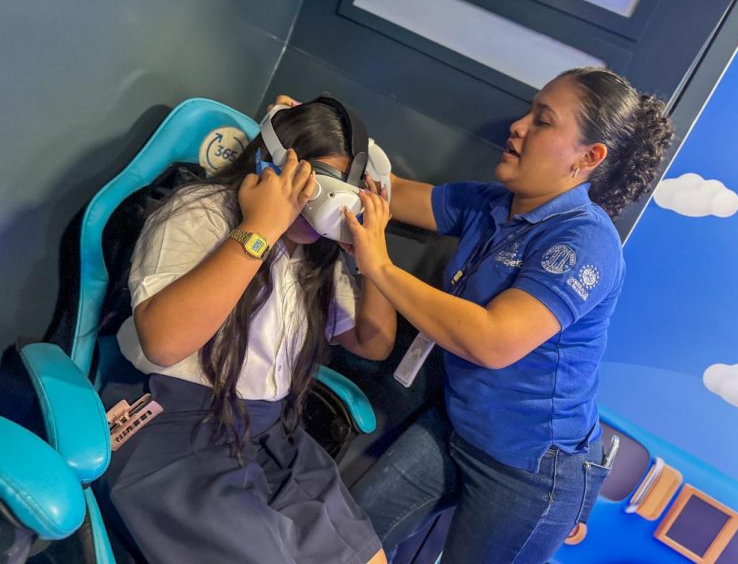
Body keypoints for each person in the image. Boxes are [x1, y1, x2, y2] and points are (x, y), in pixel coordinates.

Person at [334, 67, 673, 563]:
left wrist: (379, 267)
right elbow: (389, 194)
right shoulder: (493, 203)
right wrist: (322, 142)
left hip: (530, 469)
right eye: (528, 112)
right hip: (460, 423)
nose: (517, 126)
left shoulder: (585, 240)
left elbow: (493, 341)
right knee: (348, 532)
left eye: (542, 121)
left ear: (588, 157)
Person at [93, 97, 395, 564]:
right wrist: (260, 229)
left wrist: (374, 262)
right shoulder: (202, 212)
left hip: (269, 433)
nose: (321, 207)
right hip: (173, 427)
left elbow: (373, 343)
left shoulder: (315, 256)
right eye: (315, 184)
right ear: (272, 165)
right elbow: (164, 343)